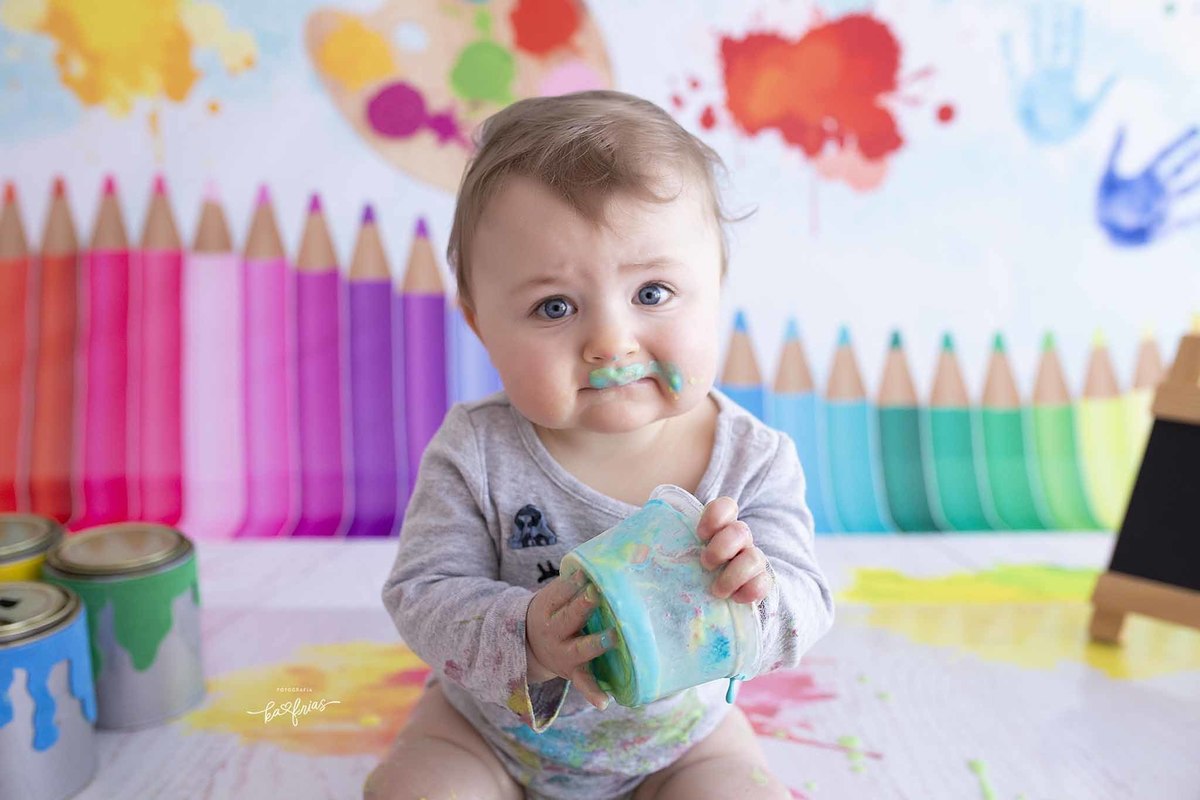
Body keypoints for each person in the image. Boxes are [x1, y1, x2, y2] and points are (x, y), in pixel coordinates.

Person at [366, 90, 834, 800]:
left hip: (679, 744)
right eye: (555, 307)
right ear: (480, 323)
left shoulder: (750, 461)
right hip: (490, 732)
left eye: (652, 293)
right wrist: (524, 631)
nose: (611, 342)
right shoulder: (478, 452)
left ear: (716, 289)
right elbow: (423, 595)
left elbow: (807, 603)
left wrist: (754, 595)